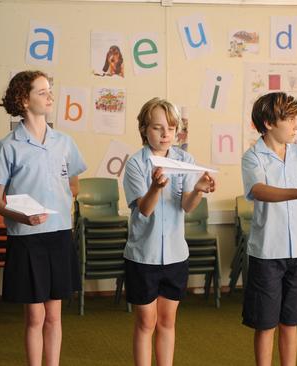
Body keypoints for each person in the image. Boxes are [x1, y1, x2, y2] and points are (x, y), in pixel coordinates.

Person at [0, 70, 86, 366]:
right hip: (26, 239)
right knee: (35, 315)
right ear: (23, 100)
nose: (49, 96)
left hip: (59, 235)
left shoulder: (65, 142)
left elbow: (75, 183)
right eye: (42, 92)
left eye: (49, 90)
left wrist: (68, 197)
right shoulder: (7, 146)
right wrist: (23, 216)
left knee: (54, 314)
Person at [123, 97, 216, 366]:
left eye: (171, 129)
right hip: (143, 256)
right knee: (145, 322)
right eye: (157, 128)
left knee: (167, 321)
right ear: (144, 129)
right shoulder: (136, 164)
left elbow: (186, 206)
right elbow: (145, 210)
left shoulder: (185, 160)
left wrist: (198, 190)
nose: (166, 135)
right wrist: (155, 187)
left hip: (176, 255)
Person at [241, 92, 297, 366]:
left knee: (292, 321)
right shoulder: (253, 157)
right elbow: (259, 190)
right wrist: (296, 192)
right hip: (267, 252)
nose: (295, 125)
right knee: (265, 324)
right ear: (268, 123)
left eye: (295, 118)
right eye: (289, 119)